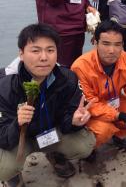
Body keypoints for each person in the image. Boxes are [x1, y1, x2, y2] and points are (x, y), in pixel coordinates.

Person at [0, 24, 95, 185]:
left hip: (50, 133)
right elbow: (2, 137)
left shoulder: (68, 78)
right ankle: (13, 174)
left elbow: (68, 117)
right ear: (21, 54)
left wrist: (73, 121)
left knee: (85, 145)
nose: (44, 57)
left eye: (50, 50)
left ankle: (53, 153)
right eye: (35, 51)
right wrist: (17, 123)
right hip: (21, 139)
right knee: (4, 168)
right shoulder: (5, 85)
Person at [71, 20, 126, 152]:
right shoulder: (80, 67)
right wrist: (117, 116)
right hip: (92, 110)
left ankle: (118, 135)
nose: (112, 50)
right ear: (95, 43)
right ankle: (90, 148)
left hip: (114, 101)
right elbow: (89, 103)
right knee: (102, 130)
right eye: (106, 44)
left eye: (117, 44)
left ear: (123, 45)